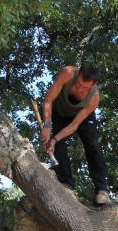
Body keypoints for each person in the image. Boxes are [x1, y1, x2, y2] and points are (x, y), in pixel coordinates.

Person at [40, 64, 110, 205]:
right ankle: (66, 185)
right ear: (77, 74)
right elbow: (48, 100)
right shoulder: (68, 73)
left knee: (93, 145)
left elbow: (74, 125)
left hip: (81, 118)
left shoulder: (94, 98)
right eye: (78, 84)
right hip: (60, 112)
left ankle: (102, 190)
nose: (80, 89)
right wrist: (47, 125)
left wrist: (54, 138)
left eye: (85, 88)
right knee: (57, 145)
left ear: (93, 85)